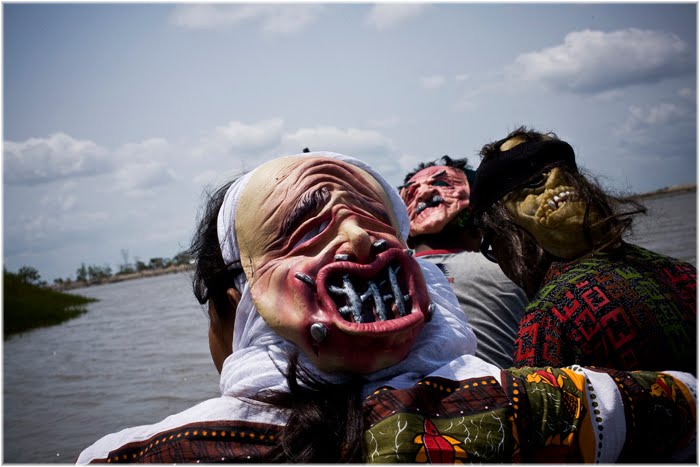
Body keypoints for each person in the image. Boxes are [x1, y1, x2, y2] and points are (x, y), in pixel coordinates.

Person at [78, 151, 696, 463]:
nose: (356, 238)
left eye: (375, 219)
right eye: (304, 227)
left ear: (225, 304)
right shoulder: (555, 405)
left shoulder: (148, 453)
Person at [471, 126, 697, 373]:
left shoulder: (551, 314)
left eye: (491, 247)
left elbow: (540, 394)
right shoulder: (682, 273)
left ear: (507, 236)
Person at [399, 155, 528, 368]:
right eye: (414, 191)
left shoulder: (385, 277)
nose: (424, 192)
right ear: (481, 217)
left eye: (441, 184)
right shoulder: (514, 270)